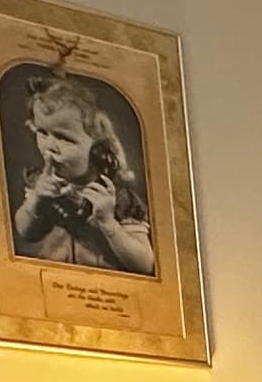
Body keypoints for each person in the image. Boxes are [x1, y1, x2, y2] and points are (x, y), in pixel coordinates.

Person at [8, 72, 154, 275]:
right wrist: (35, 201)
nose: (49, 146)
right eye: (42, 133)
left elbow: (144, 264)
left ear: (98, 147)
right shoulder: (43, 183)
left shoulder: (116, 198)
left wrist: (108, 222)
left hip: (102, 295)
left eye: (64, 138)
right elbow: (27, 233)